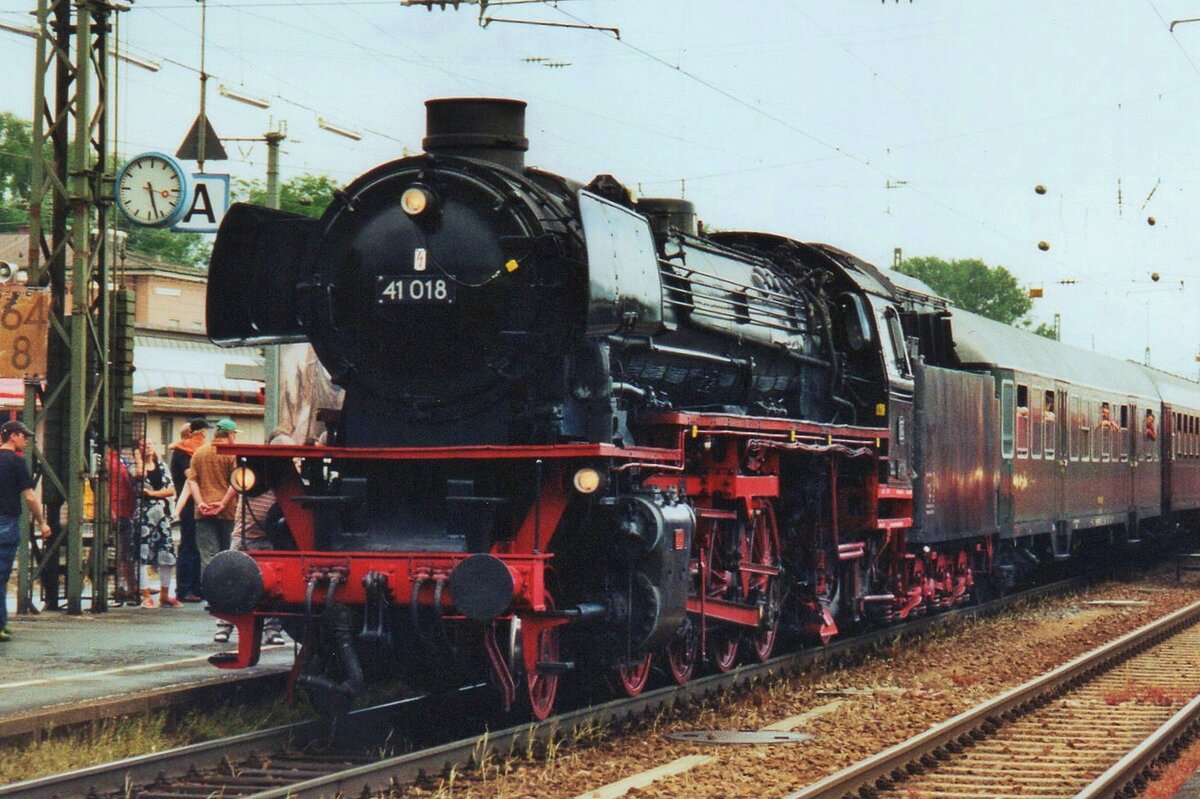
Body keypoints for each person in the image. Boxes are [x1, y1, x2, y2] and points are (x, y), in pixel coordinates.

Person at [232, 428, 295, 646]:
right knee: (235, 580)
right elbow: (235, 489)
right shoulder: (257, 472)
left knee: (274, 589)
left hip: (270, 539)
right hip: (245, 536)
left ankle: (272, 629)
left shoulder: (291, 476)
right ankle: (225, 626)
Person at [187, 417, 239, 642]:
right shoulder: (232, 453)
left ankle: (212, 597)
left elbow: (193, 482)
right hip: (226, 512)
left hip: (203, 512)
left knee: (208, 557)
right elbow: (236, 483)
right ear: (229, 434)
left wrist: (200, 503)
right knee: (228, 556)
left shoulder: (199, 453)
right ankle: (228, 597)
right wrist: (223, 503)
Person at [0, 421, 51, 641]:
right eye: (23, 435)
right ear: (13, 436)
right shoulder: (17, 462)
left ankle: (2, 620)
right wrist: (42, 522)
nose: (27, 439)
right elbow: (29, 496)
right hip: (7, 522)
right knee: (1, 575)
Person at [133, 438, 179, 608]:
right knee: (142, 552)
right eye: (143, 445)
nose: (148, 447)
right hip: (144, 515)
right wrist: (138, 457)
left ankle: (165, 594)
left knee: (166, 552)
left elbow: (171, 489)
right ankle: (145, 595)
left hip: (162, 515)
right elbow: (139, 478)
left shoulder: (162, 465)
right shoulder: (136, 466)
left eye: (150, 444)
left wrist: (153, 494)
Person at [169, 419, 208, 602]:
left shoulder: (185, 453)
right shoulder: (182, 453)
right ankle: (184, 589)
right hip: (188, 504)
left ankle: (194, 587)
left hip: (193, 502)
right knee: (188, 545)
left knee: (194, 545)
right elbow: (190, 476)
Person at [108, 447, 138, 605]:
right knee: (119, 554)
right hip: (117, 512)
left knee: (124, 553)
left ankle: (129, 588)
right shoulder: (109, 460)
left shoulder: (118, 460)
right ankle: (120, 588)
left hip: (124, 511)